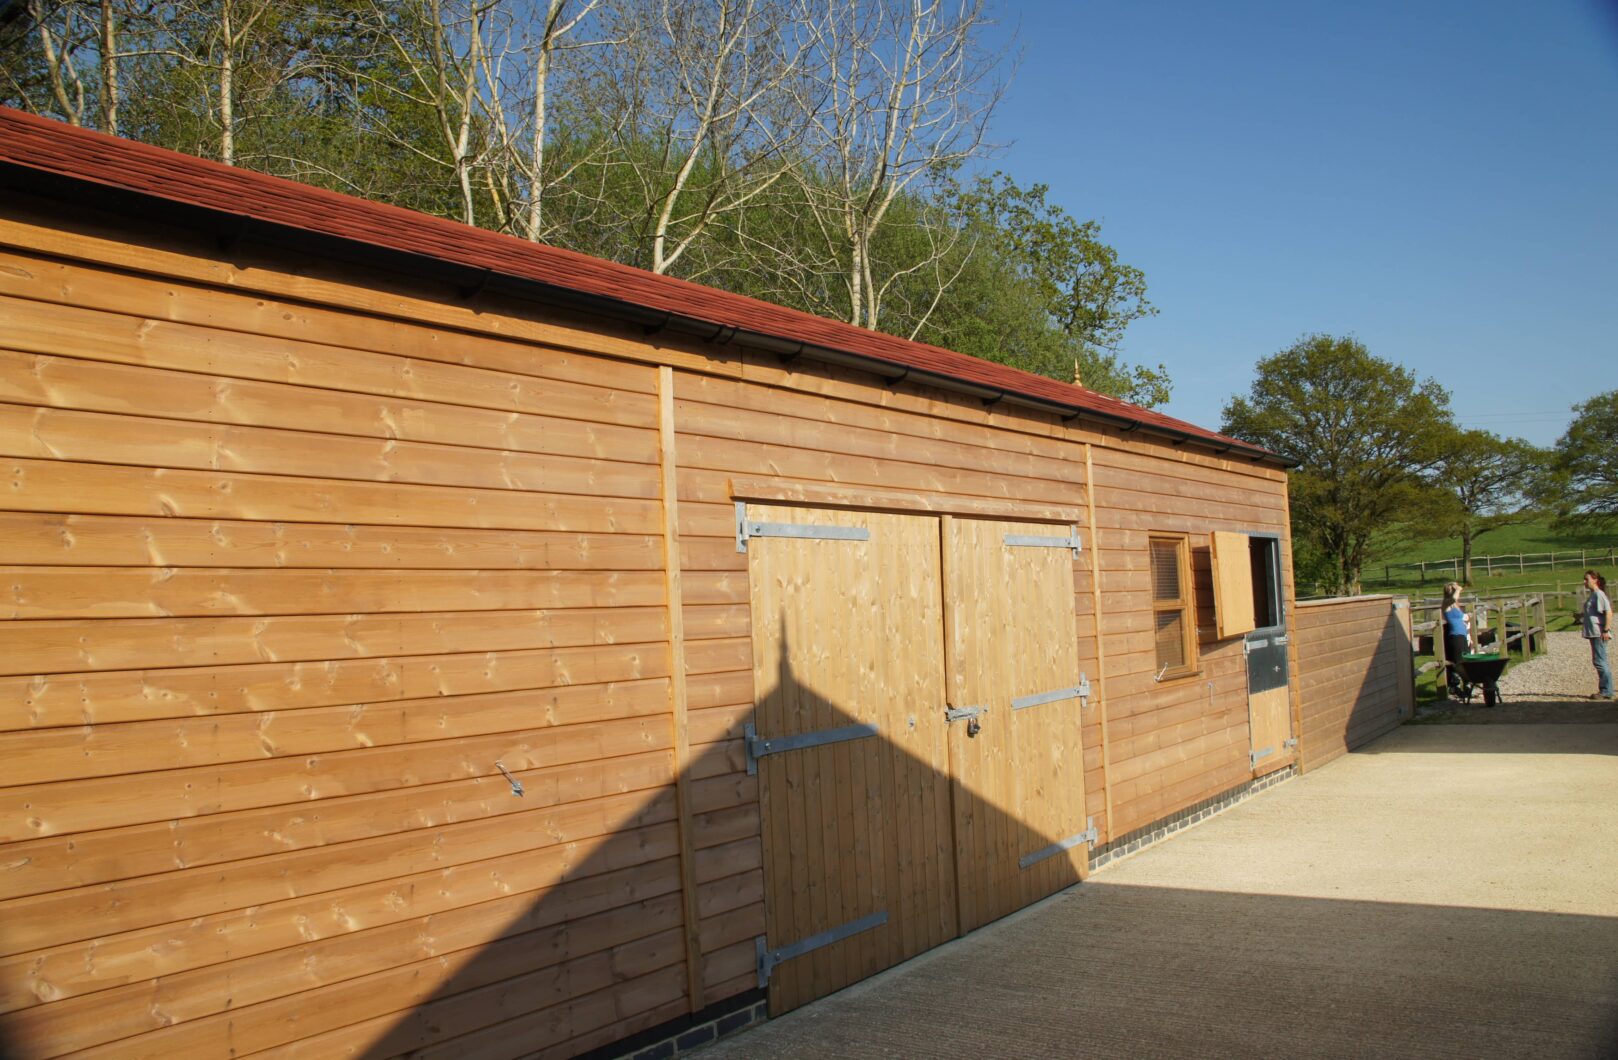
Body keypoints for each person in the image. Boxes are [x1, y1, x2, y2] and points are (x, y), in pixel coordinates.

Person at [1581, 570, 1612, 700]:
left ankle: (1606, 690)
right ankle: (1606, 689)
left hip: (1599, 633)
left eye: (1586, 579)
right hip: (1594, 632)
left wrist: (1606, 630)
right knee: (1599, 660)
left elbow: (1609, 612)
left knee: (1600, 661)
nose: (1584, 582)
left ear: (1595, 580)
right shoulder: (1593, 595)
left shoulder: (1599, 594)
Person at [1441, 582, 1471, 695]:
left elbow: (1460, 617)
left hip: (1461, 635)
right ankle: (1455, 686)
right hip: (1455, 636)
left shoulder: (1455, 606)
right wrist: (1457, 589)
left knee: (1465, 660)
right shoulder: (1446, 603)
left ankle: (1466, 684)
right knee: (1458, 661)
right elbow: (1453, 599)